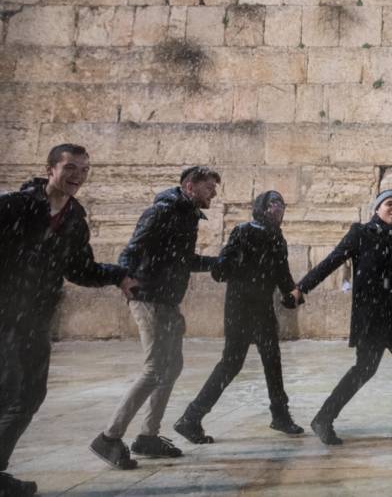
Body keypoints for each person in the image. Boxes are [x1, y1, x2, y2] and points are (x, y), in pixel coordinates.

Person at [0, 144, 136, 497]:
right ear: (50, 170)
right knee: (8, 389)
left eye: (84, 170)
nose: (78, 176)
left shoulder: (74, 218)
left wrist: (117, 275)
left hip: (35, 318)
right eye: (71, 167)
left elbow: (80, 269)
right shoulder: (14, 206)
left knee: (30, 394)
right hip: (3, 314)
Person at [90, 166, 221, 470]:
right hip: (149, 299)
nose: (213, 193)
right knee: (154, 368)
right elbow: (133, 249)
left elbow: (182, 260)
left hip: (168, 301)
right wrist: (124, 278)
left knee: (172, 366)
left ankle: (148, 436)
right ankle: (110, 437)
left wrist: (220, 263)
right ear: (190, 186)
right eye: (209, 187)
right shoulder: (162, 211)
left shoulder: (185, 215)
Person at [290, 190, 392, 445]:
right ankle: (323, 419)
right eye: (389, 204)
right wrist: (301, 287)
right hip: (370, 314)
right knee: (364, 369)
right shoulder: (361, 233)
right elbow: (331, 262)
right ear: (377, 208)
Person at [174, 191, 303, 444]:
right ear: (261, 208)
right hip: (240, 308)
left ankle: (280, 415)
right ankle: (191, 418)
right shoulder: (244, 231)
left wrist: (293, 294)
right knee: (231, 364)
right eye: (273, 204)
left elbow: (281, 272)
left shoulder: (277, 236)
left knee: (272, 360)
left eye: (281, 205)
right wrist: (233, 263)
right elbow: (221, 270)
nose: (278, 209)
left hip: (263, 307)